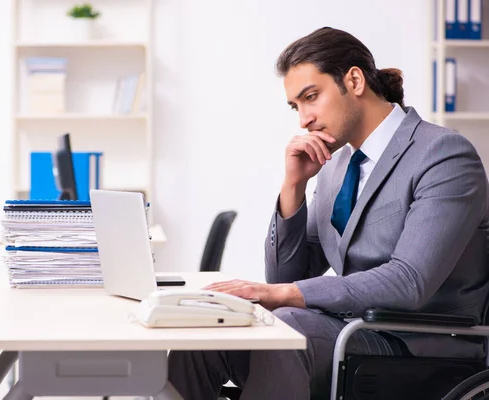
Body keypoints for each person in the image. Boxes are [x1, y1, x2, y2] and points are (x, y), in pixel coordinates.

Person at [167, 26, 489, 400]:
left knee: (286, 332)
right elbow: (289, 276)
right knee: (202, 335)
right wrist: (293, 188)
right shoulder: (335, 166)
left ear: (353, 80)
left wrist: (280, 293)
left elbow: (409, 281)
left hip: (420, 344)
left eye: (311, 97)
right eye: (296, 106)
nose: (304, 119)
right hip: (347, 329)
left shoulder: (443, 154)